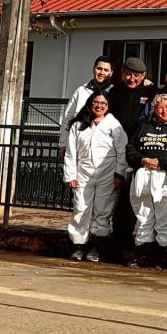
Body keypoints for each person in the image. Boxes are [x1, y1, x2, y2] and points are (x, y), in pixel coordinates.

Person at [126, 94, 167, 268]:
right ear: (154, 109)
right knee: (144, 217)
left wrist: (161, 162)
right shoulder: (143, 126)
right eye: (160, 107)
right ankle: (142, 254)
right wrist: (142, 160)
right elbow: (131, 149)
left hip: (166, 178)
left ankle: (165, 256)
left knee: (165, 218)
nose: (164, 110)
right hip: (143, 177)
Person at [63, 92, 127, 263]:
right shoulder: (78, 126)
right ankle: (78, 246)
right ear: (90, 104)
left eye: (103, 103)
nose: (99, 106)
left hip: (107, 175)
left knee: (102, 211)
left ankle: (95, 247)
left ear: (108, 106)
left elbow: (122, 152)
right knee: (81, 209)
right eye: (96, 102)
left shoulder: (114, 126)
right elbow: (71, 153)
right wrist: (71, 175)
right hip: (83, 175)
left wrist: (119, 173)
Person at [107, 56, 157, 262]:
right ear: (122, 74)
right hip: (114, 151)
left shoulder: (150, 92)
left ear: (143, 76)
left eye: (136, 75)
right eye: (128, 74)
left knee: (133, 200)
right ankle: (111, 243)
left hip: (138, 152)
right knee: (111, 199)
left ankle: (130, 243)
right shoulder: (114, 93)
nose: (131, 78)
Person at [58, 56, 113, 159]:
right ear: (93, 69)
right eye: (99, 68)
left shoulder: (114, 93)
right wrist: (63, 144)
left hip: (104, 151)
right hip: (79, 147)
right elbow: (68, 118)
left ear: (111, 73)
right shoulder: (81, 91)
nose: (102, 72)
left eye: (106, 70)